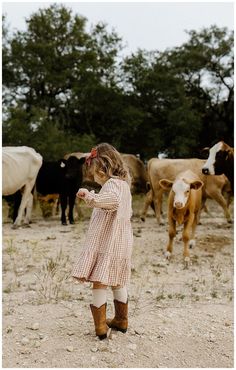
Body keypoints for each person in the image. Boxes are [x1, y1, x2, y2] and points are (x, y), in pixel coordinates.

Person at [72, 143, 133, 340]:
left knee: (99, 282)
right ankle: (121, 320)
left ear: (103, 168)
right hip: (121, 243)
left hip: (108, 243)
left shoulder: (113, 185)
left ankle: (100, 326)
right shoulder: (124, 186)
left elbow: (111, 201)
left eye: (94, 172)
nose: (94, 177)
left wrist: (90, 196)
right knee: (117, 281)